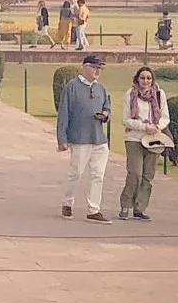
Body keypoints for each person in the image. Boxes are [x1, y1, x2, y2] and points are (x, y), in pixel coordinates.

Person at [57, 53, 113, 222]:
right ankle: (68, 202)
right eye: (95, 67)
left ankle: (93, 209)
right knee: (76, 172)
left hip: (99, 138)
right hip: (80, 137)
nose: (98, 71)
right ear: (85, 67)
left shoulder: (101, 88)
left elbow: (107, 107)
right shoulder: (72, 87)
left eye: (100, 68)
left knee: (98, 175)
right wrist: (62, 138)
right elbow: (64, 112)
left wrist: (105, 115)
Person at [119, 65, 171, 221]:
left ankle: (139, 208)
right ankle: (126, 205)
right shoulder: (130, 94)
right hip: (134, 138)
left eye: (148, 78)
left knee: (148, 176)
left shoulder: (159, 95)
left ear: (152, 79)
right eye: (142, 78)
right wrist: (144, 126)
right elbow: (126, 120)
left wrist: (156, 126)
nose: (145, 81)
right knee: (135, 173)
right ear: (137, 79)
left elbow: (165, 117)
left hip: (154, 139)